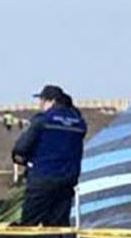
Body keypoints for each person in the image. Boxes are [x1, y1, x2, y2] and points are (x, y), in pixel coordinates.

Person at [12, 85, 88, 226]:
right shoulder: (78, 123)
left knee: (29, 224)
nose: (40, 104)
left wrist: (23, 160)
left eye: (42, 100)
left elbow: (20, 148)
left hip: (42, 178)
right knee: (58, 225)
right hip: (68, 180)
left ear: (52, 101)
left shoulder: (42, 120)